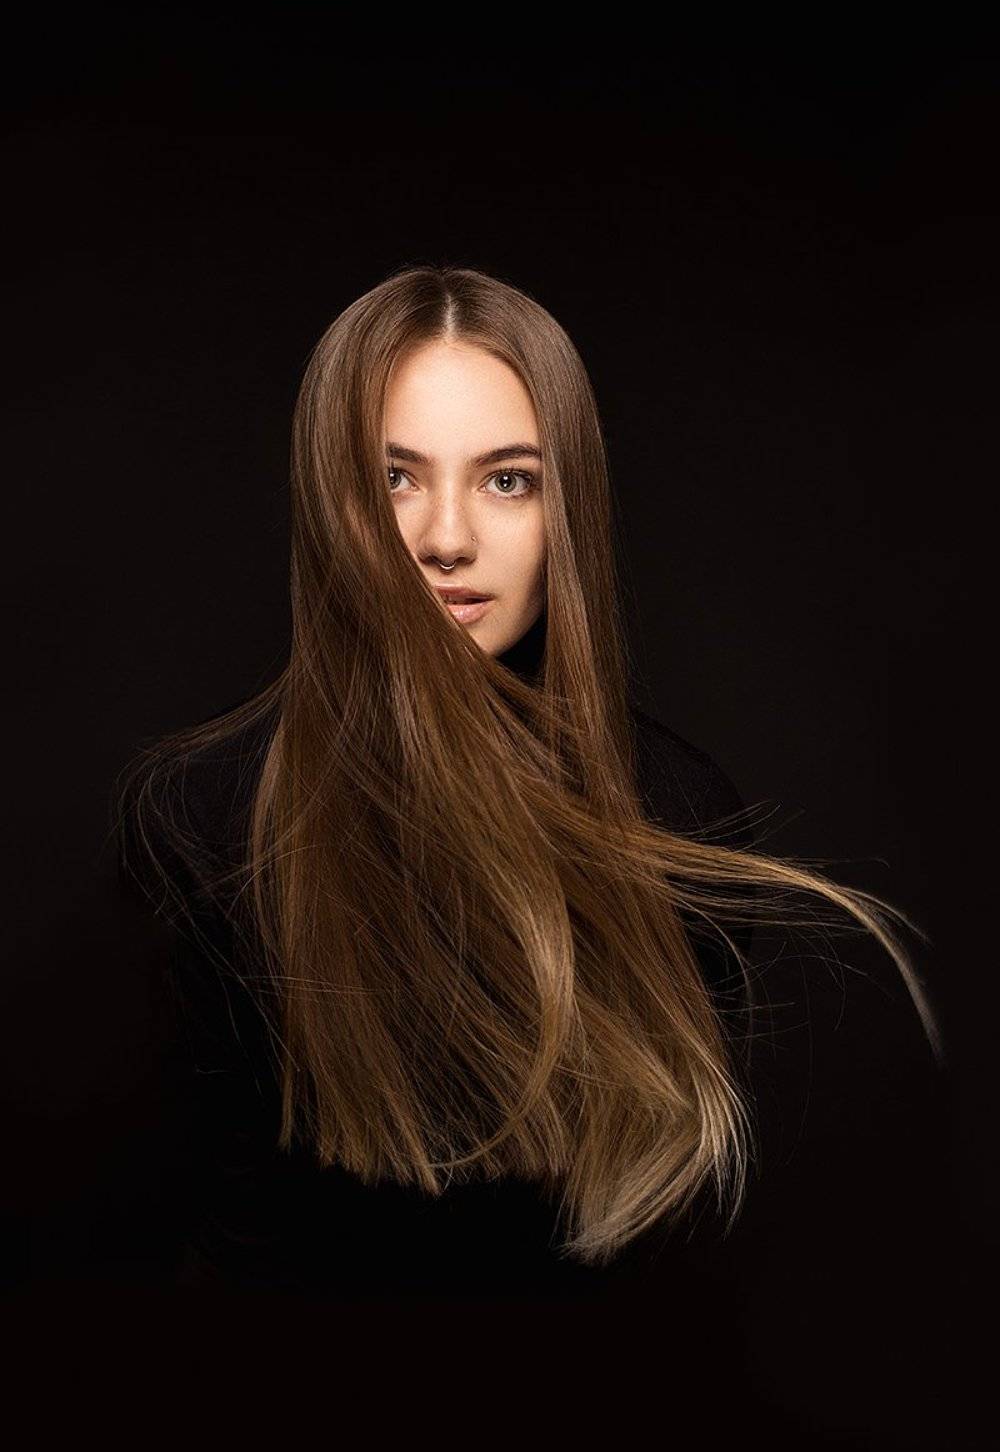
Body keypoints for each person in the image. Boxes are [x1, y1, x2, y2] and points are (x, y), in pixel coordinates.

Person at [111, 263, 945, 1301]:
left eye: (506, 480)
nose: (446, 540)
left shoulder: (679, 812)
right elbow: (195, 1236)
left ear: (568, 507)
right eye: (395, 478)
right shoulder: (200, 815)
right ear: (329, 500)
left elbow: (659, 1257)